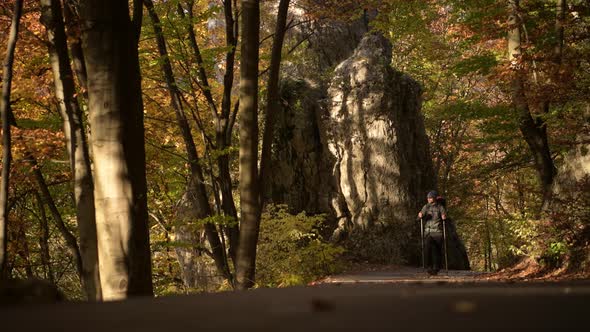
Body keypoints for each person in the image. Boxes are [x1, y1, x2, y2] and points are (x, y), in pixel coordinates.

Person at [417, 190, 447, 275]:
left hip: (437, 232)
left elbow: (445, 216)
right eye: (428, 198)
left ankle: (436, 268)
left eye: (430, 198)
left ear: (434, 198)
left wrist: (444, 217)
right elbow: (419, 218)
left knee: (436, 250)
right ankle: (429, 266)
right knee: (427, 248)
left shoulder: (440, 207)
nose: (428, 199)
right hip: (428, 232)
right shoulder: (426, 207)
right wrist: (420, 216)